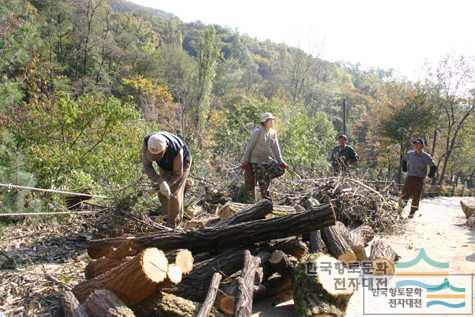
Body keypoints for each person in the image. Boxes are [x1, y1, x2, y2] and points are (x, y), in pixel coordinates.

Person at [142, 131, 192, 228]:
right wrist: (160, 182)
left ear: (165, 149)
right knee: (162, 193)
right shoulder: (147, 141)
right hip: (165, 164)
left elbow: (178, 174)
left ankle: (173, 224)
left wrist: (167, 184)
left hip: (182, 165)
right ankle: (170, 215)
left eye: (157, 156)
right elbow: (147, 166)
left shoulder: (177, 150)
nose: (154, 158)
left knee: (174, 193)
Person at [240, 112, 288, 200]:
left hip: (267, 160)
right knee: (261, 177)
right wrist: (245, 161)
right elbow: (249, 147)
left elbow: (276, 149)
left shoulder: (273, 132)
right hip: (256, 161)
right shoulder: (257, 131)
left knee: (280, 170)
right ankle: (264, 198)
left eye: (272, 120)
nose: (272, 122)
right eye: (270, 120)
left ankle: (265, 189)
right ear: (265, 121)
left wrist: (281, 162)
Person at [400, 138, 437, 218]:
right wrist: (404, 170)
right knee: (405, 194)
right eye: (415, 144)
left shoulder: (426, 156)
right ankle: (399, 210)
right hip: (410, 177)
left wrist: (430, 176)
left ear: (422, 146)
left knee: (416, 196)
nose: (416, 145)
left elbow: (433, 166)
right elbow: (404, 161)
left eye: (418, 144)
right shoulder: (410, 154)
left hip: (420, 179)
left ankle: (412, 213)